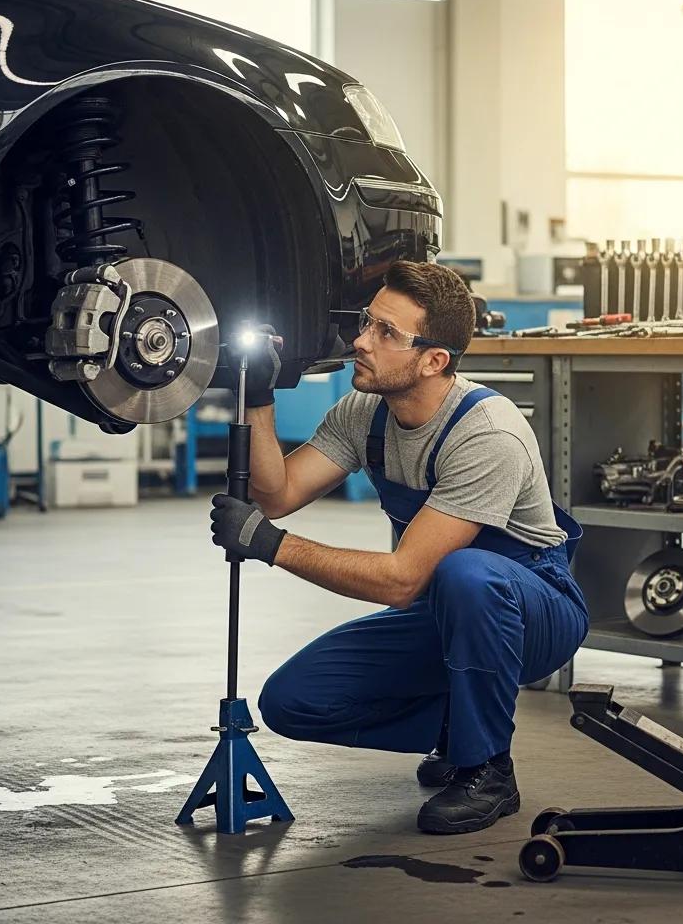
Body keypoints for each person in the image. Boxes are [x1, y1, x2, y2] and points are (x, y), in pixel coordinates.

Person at [209, 260, 589, 834]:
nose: (361, 340)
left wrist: (270, 546)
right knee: (292, 701)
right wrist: (260, 394)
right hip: (444, 611)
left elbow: (403, 579)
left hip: (535, 609)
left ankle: (487, 768)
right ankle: (456, 726)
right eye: (367, 323)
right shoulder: (366, 414)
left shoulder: (487, 433)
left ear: (435, 360)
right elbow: (278, 493)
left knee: (467, 574)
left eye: (387, 333)